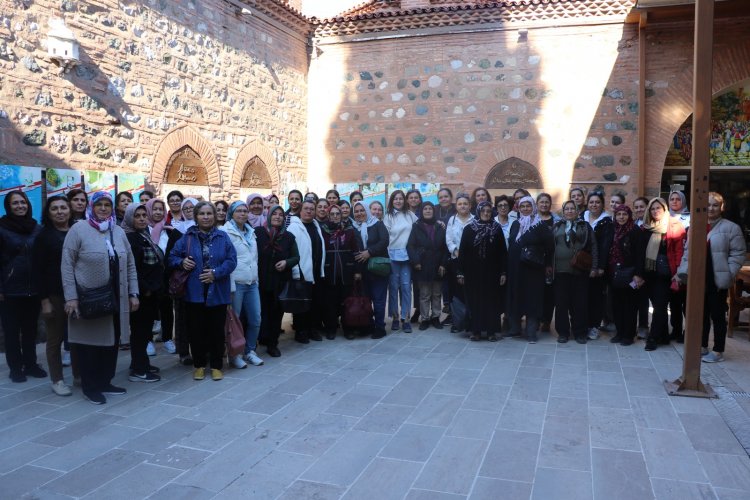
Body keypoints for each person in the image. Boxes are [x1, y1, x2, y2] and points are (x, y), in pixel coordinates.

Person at [62, 191, 139, 404]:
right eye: (99, 205)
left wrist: (133, 292)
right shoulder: (79, 229)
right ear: (91, 207)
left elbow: (130, 263)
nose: (103, 208)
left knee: (111, 342)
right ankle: (90, 386)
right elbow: (67, 265)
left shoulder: (118, 231)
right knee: (89, 345)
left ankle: (106, 381)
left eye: (107, 204)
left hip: (116, 297)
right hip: (90, 298)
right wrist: (71, 297)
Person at [168, 201, 237, 381]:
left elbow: (231, 261)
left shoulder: (223, 237)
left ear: (215, 216)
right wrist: (181, 262)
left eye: (209, 213)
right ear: (196, 216)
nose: (206, 217)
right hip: (194, 293)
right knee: (196, 331)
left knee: (216, 331)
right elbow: (172, 257)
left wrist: (216, 273)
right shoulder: (187, 237)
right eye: (202, 214)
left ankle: (216, 365)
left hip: (218, 292)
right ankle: (199, 365)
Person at [677, 192, 746, 362]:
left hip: (717, 279)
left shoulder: (731, 228)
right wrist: (682, 271)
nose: (711, 208)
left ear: (721, 207)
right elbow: (687, 251)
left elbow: (738, 253)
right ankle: (702, 346)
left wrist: (729, 272)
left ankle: (718, 350)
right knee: (700, 314)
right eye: (707, 204)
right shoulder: (696, 226)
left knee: (717, 315)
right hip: (697, 278)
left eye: (715, 205)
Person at [34, 196, 78, 395]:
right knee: (55, 339)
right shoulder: (44, 236)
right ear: (48, 213)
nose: (60, 211)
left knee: (78, 337)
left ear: (69, 210)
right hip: (55, 295)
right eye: (54, 208)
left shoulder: (77, 230)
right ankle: (57, 380)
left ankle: (79, 375)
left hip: (78, 293)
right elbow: (37, 271)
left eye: (63, 207)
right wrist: (44, 301)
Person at [1, 190, 45, 383]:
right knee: (11, 331)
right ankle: (15, 368)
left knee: (30, 330)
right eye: (15, 203)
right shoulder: (1, 228)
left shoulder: (37, 228)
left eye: (23, 203)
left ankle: (31, 364)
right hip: (9, 289)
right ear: (8, 207)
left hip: (33, 288)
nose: (20, 206)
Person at [633, 197, 685, 351]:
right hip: (649, 273)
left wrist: (677, 273)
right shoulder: (646, 227)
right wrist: (639, 273)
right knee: (656, 305)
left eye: (658, 208)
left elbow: (678, 252)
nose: (655, 211)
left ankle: (653, 338)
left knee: (660, 306)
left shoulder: (674, 226)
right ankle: (662, 335)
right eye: (653, 209)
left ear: (664, 209)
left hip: (664, 274)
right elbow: (640, 253)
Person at [121, 204, 163, 383]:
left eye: (144, 215)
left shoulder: (143, 234)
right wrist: (145, 289)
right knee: (140, 332)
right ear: (130, 218)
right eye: (136, 216)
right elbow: (133, 269)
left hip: (151, 292)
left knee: (145, 332)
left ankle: (140, 363)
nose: (141, 219)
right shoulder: (130, 238)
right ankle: (139, 369)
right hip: (142, 293)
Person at [221, 201, 263, 368]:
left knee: (255, 319)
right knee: (234, 321)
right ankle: (234, 354)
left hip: (252, 283)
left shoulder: (251, 232)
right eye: (238, 211)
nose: (242, 214)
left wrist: (256, 279)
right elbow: (226, 259)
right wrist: (229, 286)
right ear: (231, 213)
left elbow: (255, 259)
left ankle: (250, 351)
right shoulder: (225, 232)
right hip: (236, 283)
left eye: (245, 211)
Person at [457, 201, 507, 341]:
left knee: (491, 302)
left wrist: (503, 272)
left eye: (488, 211)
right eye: (483, 211)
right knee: (475, 301)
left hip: (492, 272)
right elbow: (463, 252)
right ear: (478, 212)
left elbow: (503, 252)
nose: (486, 213)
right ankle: (476, 331)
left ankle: (491, 331)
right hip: (473, 273)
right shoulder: (469, 229)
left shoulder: (496, 228)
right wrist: (460, 272)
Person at [507, 196, 554, 343]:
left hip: (533, 270)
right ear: (519, 209)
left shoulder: (540, 225)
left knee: (532, 300)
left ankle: (531, 332)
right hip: (516, 268)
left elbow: (550, 247)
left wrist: (547, 265)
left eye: (528, 206)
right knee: (516, 297)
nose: (526, 209)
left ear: (533, 207)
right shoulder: (515, 224)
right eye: (523, 207)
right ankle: (515, 329)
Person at [255, 205, 299, 357]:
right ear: (269, 215)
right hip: (260, 281)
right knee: (260, 312)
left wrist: (286, 263)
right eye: (275, 214)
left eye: (281, 214)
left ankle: (273, 343)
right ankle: (261, 338)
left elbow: (296, 257)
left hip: (279, 282)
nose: (278, 217)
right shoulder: (258, 233)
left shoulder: (288, 237)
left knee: (276, 313)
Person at [552, 201, 597, 344]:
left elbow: (594, 246)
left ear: (577, 211)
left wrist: (594, 267)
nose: (570, 211)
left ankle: (580, 332)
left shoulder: (585, 226)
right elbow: (550, 247)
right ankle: (563, 332)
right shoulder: (557, 226)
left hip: (580, 271)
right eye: (567, 209)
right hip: (560, 271)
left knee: (579, 304)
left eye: (573, 209)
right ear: (563, 211)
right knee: (561, 304)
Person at [321, 204, 362, 340]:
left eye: (337, 214)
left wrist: (357, 270)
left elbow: (356, 251)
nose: (335, 216)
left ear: (341, 215)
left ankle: (348, 329)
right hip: (329, 271)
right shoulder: (323, 231)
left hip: (346, 271)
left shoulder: (349, 230)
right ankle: (331, 329)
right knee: (330, 303)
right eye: (332, 214)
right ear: (328, 215)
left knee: (346, 302)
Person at [287, 199, 326, 343]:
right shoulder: (294, 227)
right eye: (306, 208)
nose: (309, 211)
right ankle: (300, 332)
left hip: (316, 271)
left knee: (314, 303)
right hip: (302, 272)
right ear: (300, 211)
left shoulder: (316, 225)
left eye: (311, 209)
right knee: (301, 304)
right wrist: (296, 270)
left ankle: (312, 330)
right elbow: (291, 252)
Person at [408, 202, 449, 330]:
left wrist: (443, 264)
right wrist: (416, 262)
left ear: (433, 210)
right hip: (422, 264)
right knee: (425, 293)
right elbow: (410, 246)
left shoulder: (440, 226)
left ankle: (435, 317)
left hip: (437, 264)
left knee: (436, 293)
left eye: (430, 209)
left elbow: (445, 247)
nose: (427, 211)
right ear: (421, 211)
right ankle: (425, 318)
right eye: (425, 209)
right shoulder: (416, 226)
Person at [353, 201, 389, 339]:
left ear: (367, 211)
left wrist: (370, 252)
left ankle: (380, 327)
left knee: (379, 300)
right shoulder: (354, 227)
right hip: (363, 270)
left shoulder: (377, 224)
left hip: (378, 268)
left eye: (362, 210)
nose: (359, 213)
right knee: (366, 300)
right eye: (356, 211)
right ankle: (368, 325)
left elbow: (384, 241)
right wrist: (356, 271)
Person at [145, 198, 176, 355]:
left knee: (166, 309)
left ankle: (167, 338)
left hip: (166, 277)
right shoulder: (144, 230)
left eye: (160, 209)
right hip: (150, 277)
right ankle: (148, 340)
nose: (157, 212)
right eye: (154, 209)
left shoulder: (169, 230)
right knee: (150, 309)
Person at [581, 191, 614, 340]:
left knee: (596, 297)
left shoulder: (607, 222)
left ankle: (594, 326)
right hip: (581, 264)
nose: (594, 205)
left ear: (602, 204)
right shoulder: (581, 217)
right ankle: (582, 324)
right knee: (582, 296)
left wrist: (600, 266)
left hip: (597, 267)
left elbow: (606, 246)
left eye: (597, 202)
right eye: (591, 202)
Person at [385, 190, 418, 333]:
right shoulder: (388, 216)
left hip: (407, 256)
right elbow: (385, 236)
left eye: (400, 199)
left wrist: (439, 223)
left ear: (404, 201)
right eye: (395, 199)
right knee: (393, 287)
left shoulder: (410, 214)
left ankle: (406, 318)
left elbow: (420, 227)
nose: (398, 201)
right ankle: (395, 317)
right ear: (392, 201)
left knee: (406, 287)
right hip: (392, 255)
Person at [607, 205, 640, 346]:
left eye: (624, 214)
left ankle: (628, 335)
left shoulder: (635, 230)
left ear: (629, 216)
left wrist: (638, 274)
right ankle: (619, 333)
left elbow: (640, 254)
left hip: (630, 273)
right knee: (617, 305)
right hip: (614, 272)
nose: (621, 217)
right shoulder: (612, 229)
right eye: (619, 214)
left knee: (629, 306)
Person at [445, 194, 474, 332]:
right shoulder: (452, 220)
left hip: (472, 262)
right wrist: (455, 251)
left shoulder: (475, 220)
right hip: (456, 261)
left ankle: (471, 322)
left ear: (470, 205)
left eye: (465, 203)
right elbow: (448, 239)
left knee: (471, 291)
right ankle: (458, 322)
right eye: (460, 204)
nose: (463, 206)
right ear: (456, 206)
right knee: (456, 292)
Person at [667, 189, 690, 342]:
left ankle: (687, 333)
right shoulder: (665, 218)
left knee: (687, 305)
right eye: (672, 199)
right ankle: (675, 330)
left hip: (686, 266)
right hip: (670, 267)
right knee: (674, 304)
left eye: (678, 199)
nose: (674, 201)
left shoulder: (691, 219)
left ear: (683, 201)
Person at [537, 193, 557, 333]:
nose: (544, 204)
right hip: (534, 262)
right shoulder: (531, 220)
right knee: (536, 292)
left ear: (550, 204)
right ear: (537, 204)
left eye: (546, 202)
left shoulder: (557, 220)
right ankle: (536, 318)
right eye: (541, 202)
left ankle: (546, 320)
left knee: (549, 293)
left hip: (551, 262)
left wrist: (549, 264)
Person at [632, 196, 650, 338]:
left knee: (644, 299)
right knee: (634, 297)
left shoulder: (651, 225)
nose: (639, 209)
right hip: (635, 267)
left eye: (641, 207)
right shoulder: (633, 224)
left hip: (648, 267)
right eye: (636, 207)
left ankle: (643, 326)